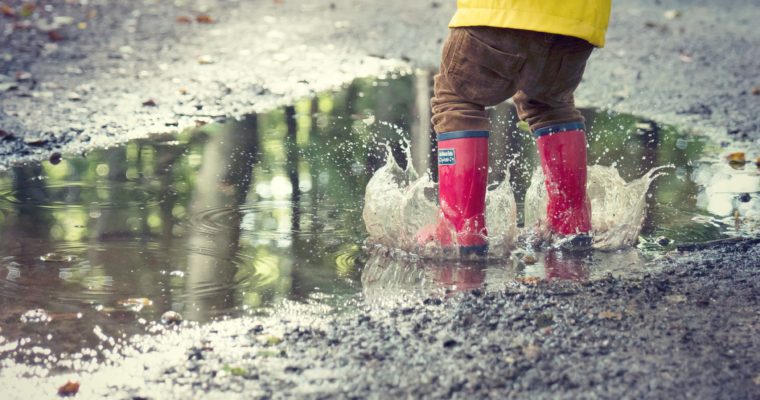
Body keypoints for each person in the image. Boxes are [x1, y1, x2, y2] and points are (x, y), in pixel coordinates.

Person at [418, 0, 612, 256]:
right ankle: (570, 223)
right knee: (551, 105)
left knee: (457, 100)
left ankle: (460, 230)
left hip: (502, 11)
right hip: (579, 23)